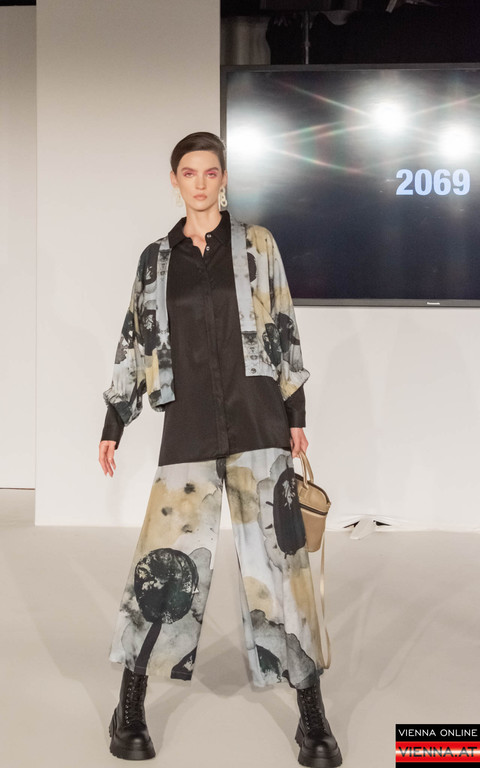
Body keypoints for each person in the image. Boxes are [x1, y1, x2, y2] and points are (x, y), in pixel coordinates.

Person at [98, 131, 342, 767]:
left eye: (211, 172)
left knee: (283, 569)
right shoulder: (155, 261)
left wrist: (296, 413)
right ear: (174, 180)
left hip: (259, 422)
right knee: (163, 568)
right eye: (189, 172)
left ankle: (312, 716)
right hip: (188, 428)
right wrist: (115, 419)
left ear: (223, 178)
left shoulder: (258, 245)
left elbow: (283, 323)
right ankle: (130, 705)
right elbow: (135, 339)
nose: (201, 183)